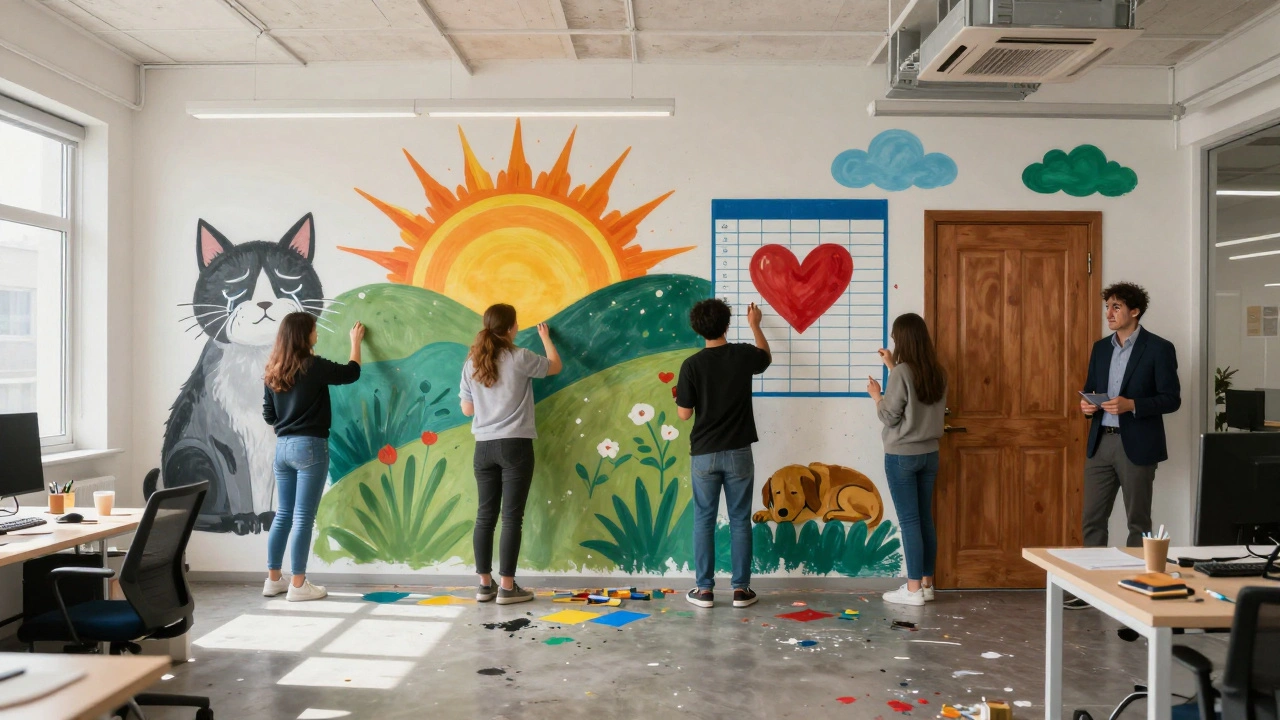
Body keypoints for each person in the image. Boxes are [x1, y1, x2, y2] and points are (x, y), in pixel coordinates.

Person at [460, 304, 562, 605]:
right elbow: (554, 366)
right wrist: (545, 337)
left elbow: (467, 409)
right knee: (511, 518)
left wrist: (488, 404)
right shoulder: (520, 357)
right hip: (515, 445)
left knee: (484, 516)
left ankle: (484, 586)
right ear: (511, 328)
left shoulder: (472, 362)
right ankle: (507, 588)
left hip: (483, 447)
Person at [675, 299, 771, 609]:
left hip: (704, 453)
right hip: (739, 451)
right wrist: (756, 325)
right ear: (728, 325)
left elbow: (684, 415)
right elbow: (765, 358)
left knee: (703, 520)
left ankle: (704, 590)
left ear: (696, 328)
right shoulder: (743, 355)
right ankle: (741, 590)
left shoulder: (691, 365)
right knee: (740, 520)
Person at [262, 313, 365, 602]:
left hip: (282, 448)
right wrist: (355, 342)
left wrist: (289, 421)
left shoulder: (273, 369)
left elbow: (269, 415)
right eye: (314, 330)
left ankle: (273, 580)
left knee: (283, 514)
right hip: (310, 447)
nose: (317, 334)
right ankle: (298, 585)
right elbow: (351, 373)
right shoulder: (313, 366)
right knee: (303, 518)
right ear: (304, 335)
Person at [1079, 283, 1180, 546]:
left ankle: (1135, 582)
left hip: (1137, 444)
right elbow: (1091, 388)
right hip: (1100, 443)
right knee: (1092, 518)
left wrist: (1132, 405)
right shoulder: (1100, 348)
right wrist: (1087, 407)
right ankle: (1092, 582)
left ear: (1134, 311)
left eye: (1116, 307)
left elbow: (1171, 399)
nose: (1109, 314)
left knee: (1138, 522)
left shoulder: (1159, 348)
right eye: (1107, 307)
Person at [868, 313, 947, 608]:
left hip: (902, 456)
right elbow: (915, 396)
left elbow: (890, 415)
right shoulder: (937, 372)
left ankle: (912, 590)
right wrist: (891, 366)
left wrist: (877, 396)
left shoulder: (903, 372)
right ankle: (926, 584)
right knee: (924, 518)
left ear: (902, 339)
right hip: (930, 455)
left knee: (910, 521)